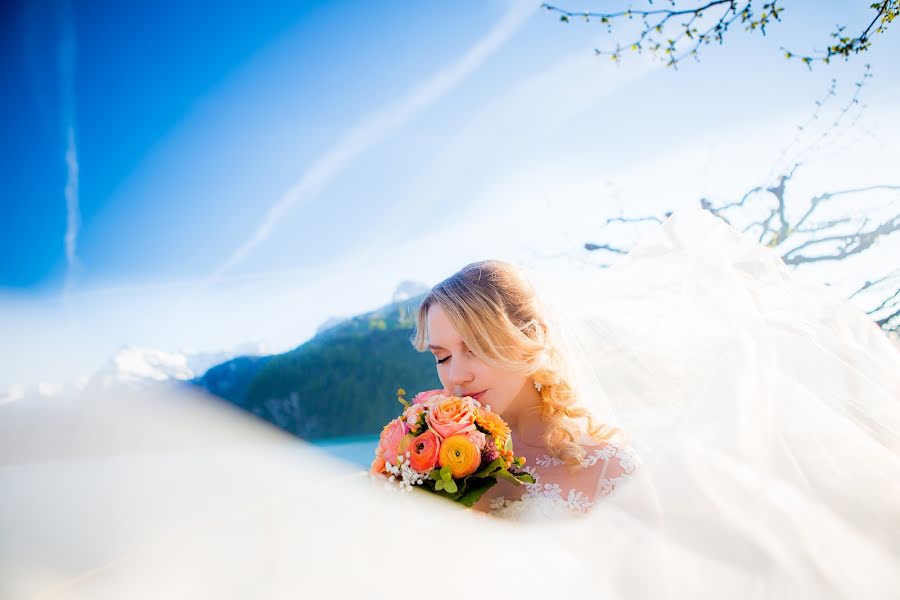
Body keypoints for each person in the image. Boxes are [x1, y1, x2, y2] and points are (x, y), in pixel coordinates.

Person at [406, 259, 642, 519]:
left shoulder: (611, 470)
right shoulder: (432, 464)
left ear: (530, 336)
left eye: (474, 347)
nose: (456, 376)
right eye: (443, 358)